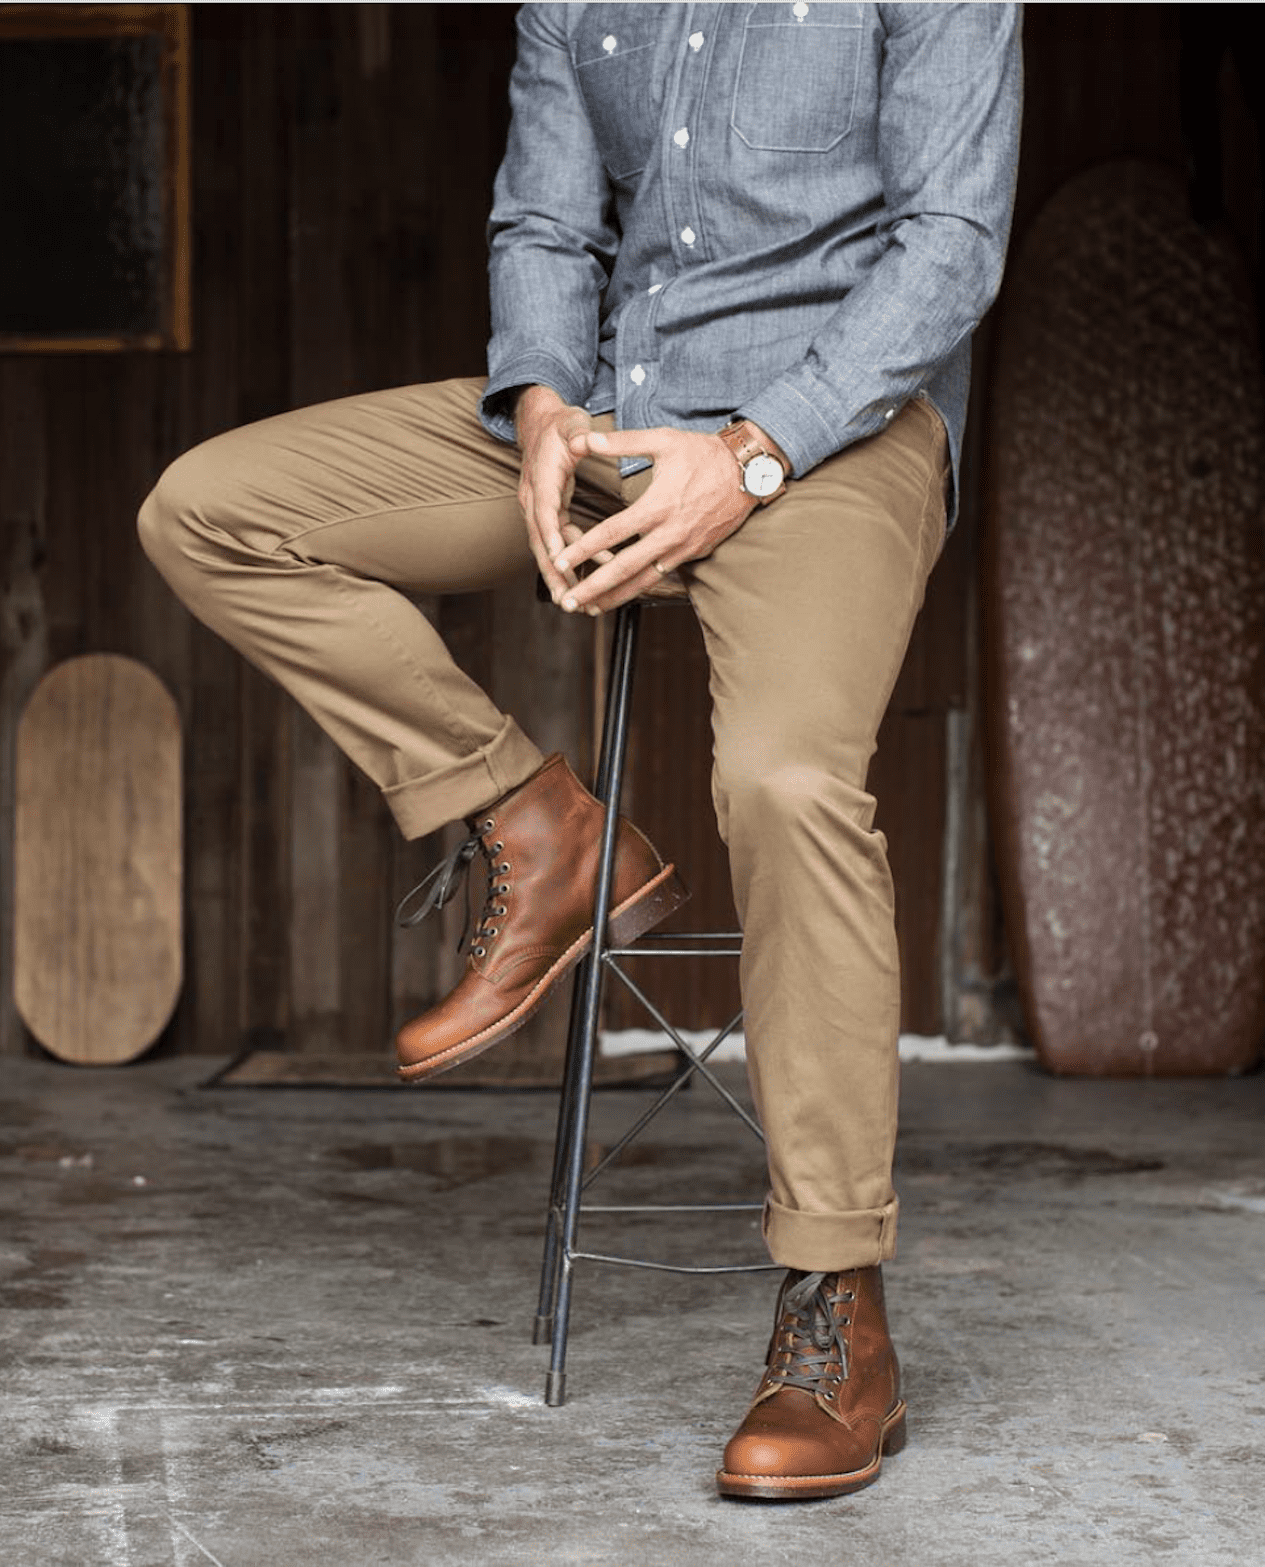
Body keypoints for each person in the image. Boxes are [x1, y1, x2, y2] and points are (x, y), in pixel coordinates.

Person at [139, 3, 1021, 1501]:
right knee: (211, 509)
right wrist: (542, 404)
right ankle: (535, 824)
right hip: (615, 413)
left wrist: (748, 455)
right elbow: (545, 217)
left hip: (834, 437)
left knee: (788, 779)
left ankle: (835, 1308)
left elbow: (951, 244)